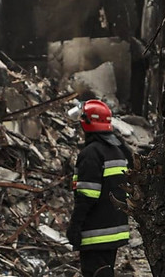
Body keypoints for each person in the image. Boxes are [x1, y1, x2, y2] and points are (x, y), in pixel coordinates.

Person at [67, 100, 131, 277]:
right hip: (114, 230)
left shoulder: (91, 154)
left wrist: (75, 225)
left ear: (87, 124)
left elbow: (87, 195)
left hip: (96, 232)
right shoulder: (117, 151)